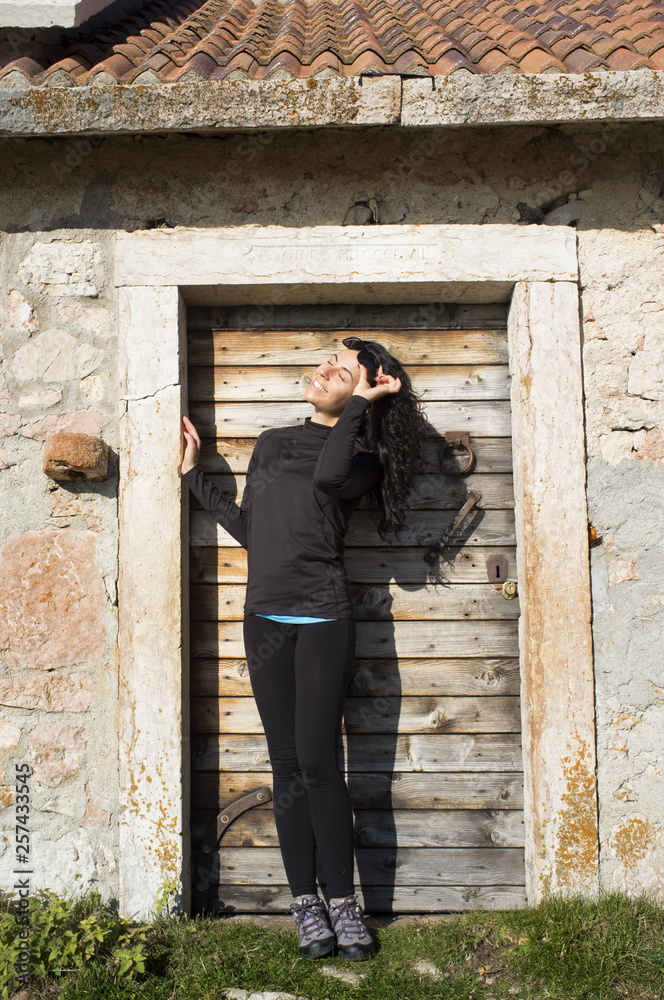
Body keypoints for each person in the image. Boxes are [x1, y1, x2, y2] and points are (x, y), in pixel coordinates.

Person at [180, 336, 427, 961]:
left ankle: (344, 904)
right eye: (327, 361)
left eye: (342, 371)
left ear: (365, 393)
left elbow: (330, 474)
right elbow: (251, 529)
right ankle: (305, 907)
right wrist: (194, 478)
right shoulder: (272, 441)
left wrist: (358, 409)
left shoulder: (360, 456)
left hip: (323, 619)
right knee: (285, 767)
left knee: (319, 765)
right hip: (264, 618)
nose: (323, 369)